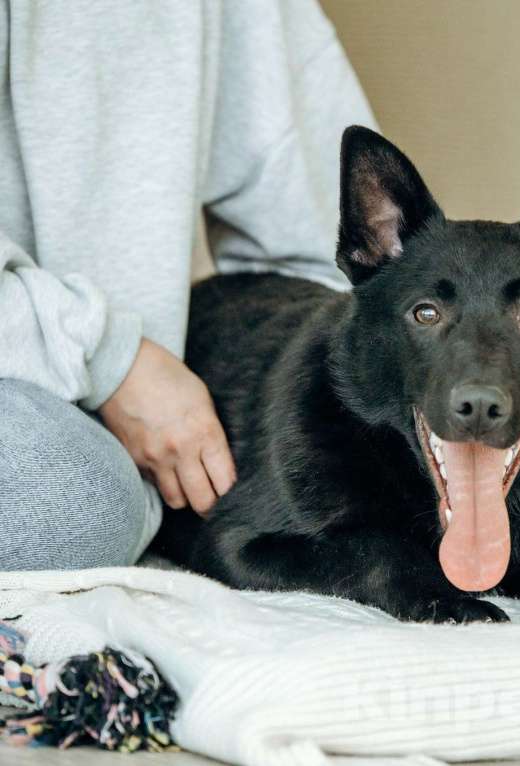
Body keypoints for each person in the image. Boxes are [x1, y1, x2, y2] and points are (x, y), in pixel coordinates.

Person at [0, 1, 376, 569]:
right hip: (60, 394)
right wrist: (110, 357)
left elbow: (323, 256)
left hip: (103, 415)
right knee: (78, 505)